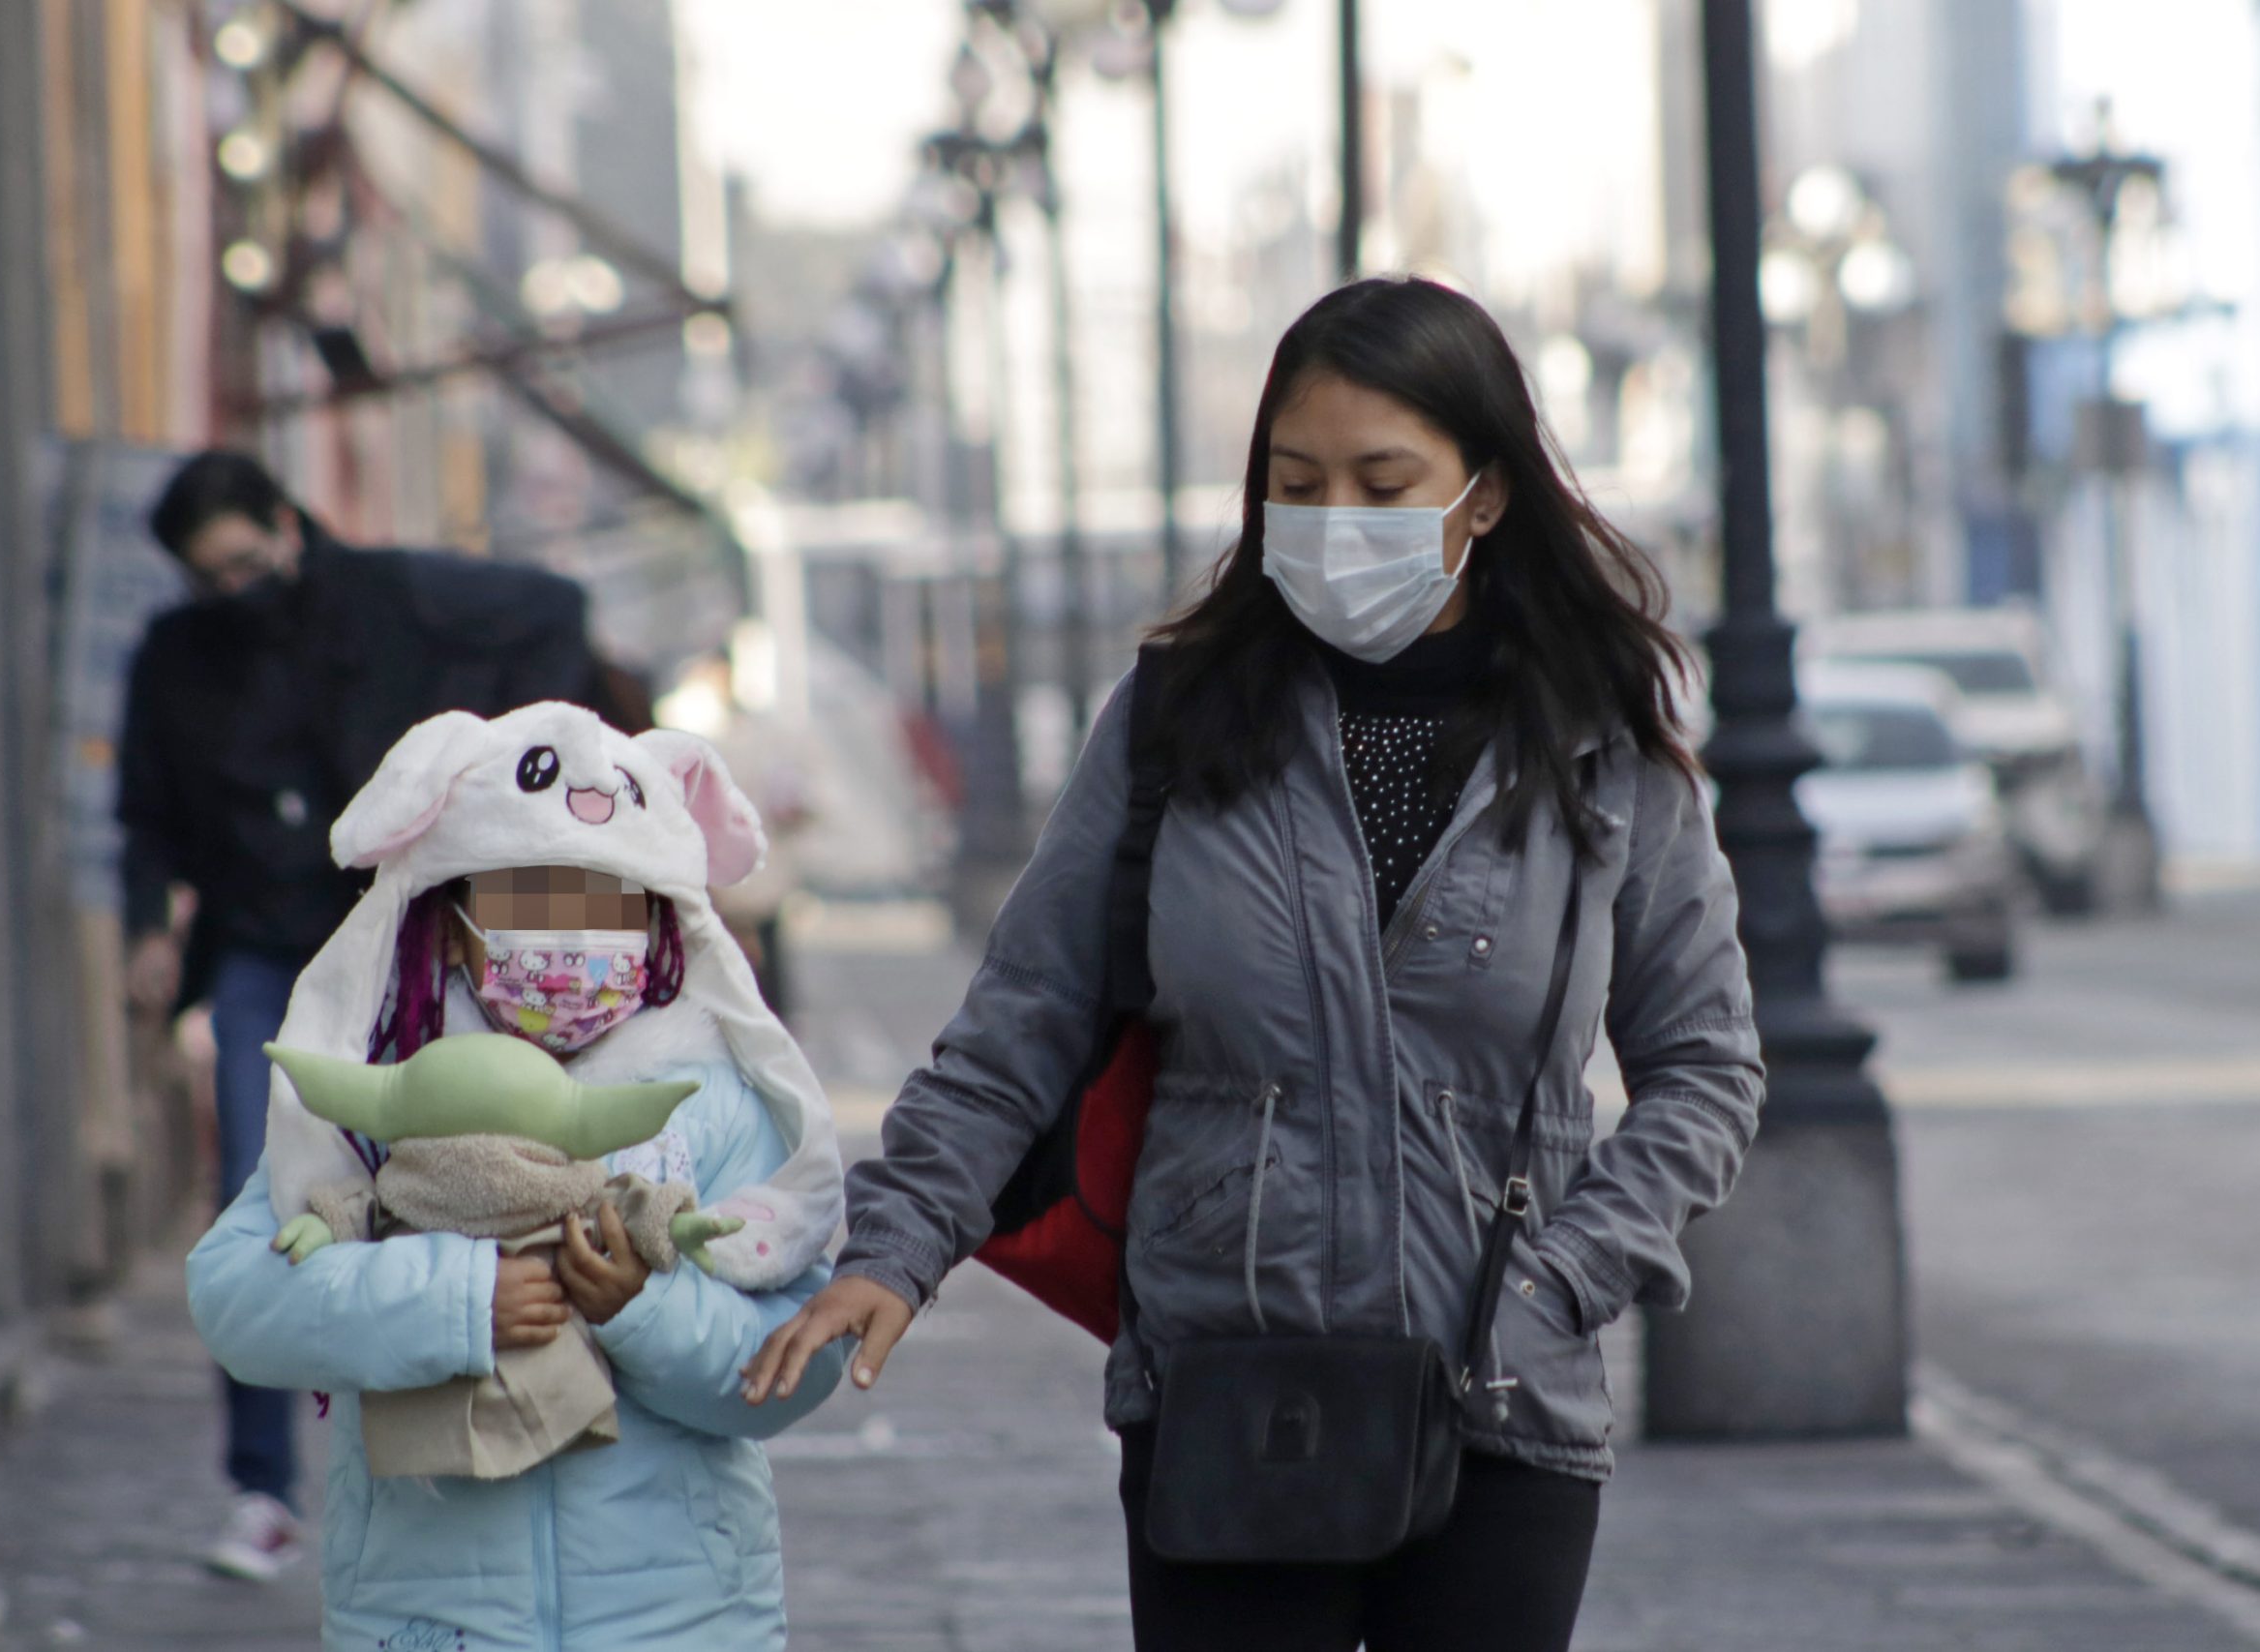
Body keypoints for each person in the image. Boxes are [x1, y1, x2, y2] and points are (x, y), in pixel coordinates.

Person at [745, 278, 1766, 1651]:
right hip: (1230, 1388)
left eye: (1383, 478)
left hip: (1506, 1397)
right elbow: (1025, 1014)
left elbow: (1706, 1068)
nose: (1337, 515)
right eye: (1299, 479)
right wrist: (900, 1244)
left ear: (1487, 491)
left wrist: (1562, 1277)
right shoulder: (1177, 717)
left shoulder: (1600, 748)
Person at [187, 702, 848, 1649]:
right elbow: (238, 1301)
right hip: (426, 1621)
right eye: (529, 901)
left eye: (606, 904)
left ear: (659, 916)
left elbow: (799, 1361)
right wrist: (458, 1302)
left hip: (684, 1622)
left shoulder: (713, 1102)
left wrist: (638, 1311)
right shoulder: (386, 1097)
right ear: (452, 925)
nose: (572, 940)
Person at [117, 451, 611, 1578]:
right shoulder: (175, 658)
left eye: (249, 562)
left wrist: (504, 787)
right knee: (260, 1195)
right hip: (254, 957)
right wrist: (150, 926)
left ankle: (457, 1446)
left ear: (288, 527)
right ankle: (261, 1490)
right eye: (211, 577)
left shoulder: (392, 594)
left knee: (451, 1180)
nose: (236, 589)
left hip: (399, 950)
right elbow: (143, 812)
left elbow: (556, 610)